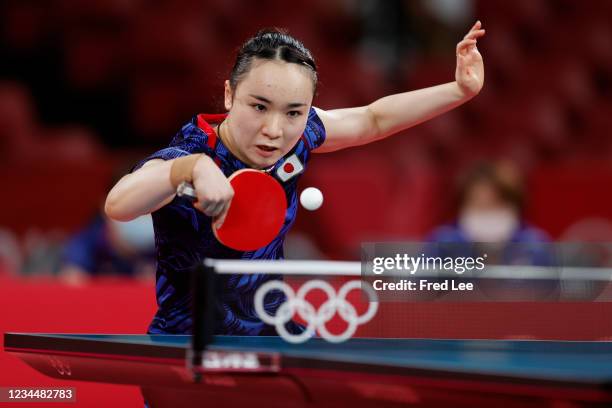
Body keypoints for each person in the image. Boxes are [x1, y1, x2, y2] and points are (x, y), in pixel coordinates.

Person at [105, 23, 485, 335]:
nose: (274, 129)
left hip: (275, 334)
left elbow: (372, 119)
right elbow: (119, 204)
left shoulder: (298, 138)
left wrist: (458, 90)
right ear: (228, 95)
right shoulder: (192, 150)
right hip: (190, 345)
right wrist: (190, 169)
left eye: (293, 112)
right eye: (258, 106)